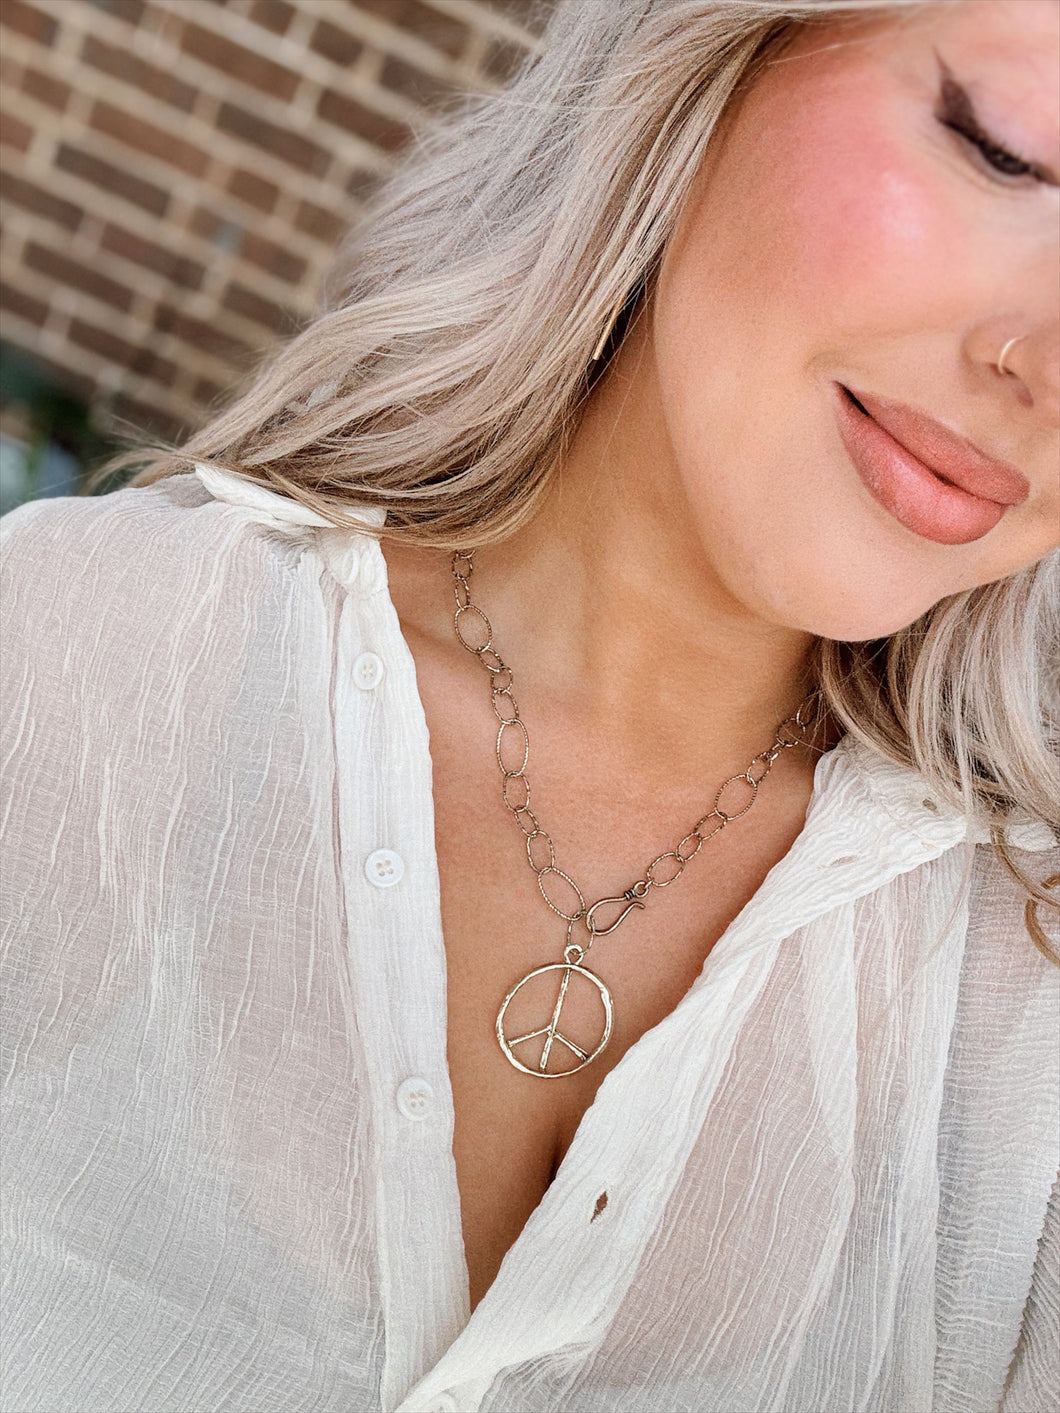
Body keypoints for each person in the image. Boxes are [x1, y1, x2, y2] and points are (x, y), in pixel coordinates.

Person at [2, 0, 1057, 1408]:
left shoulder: (1021, 1047)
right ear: (722, 53)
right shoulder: (66, 662)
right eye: (1008, 156)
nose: (1042, 363)